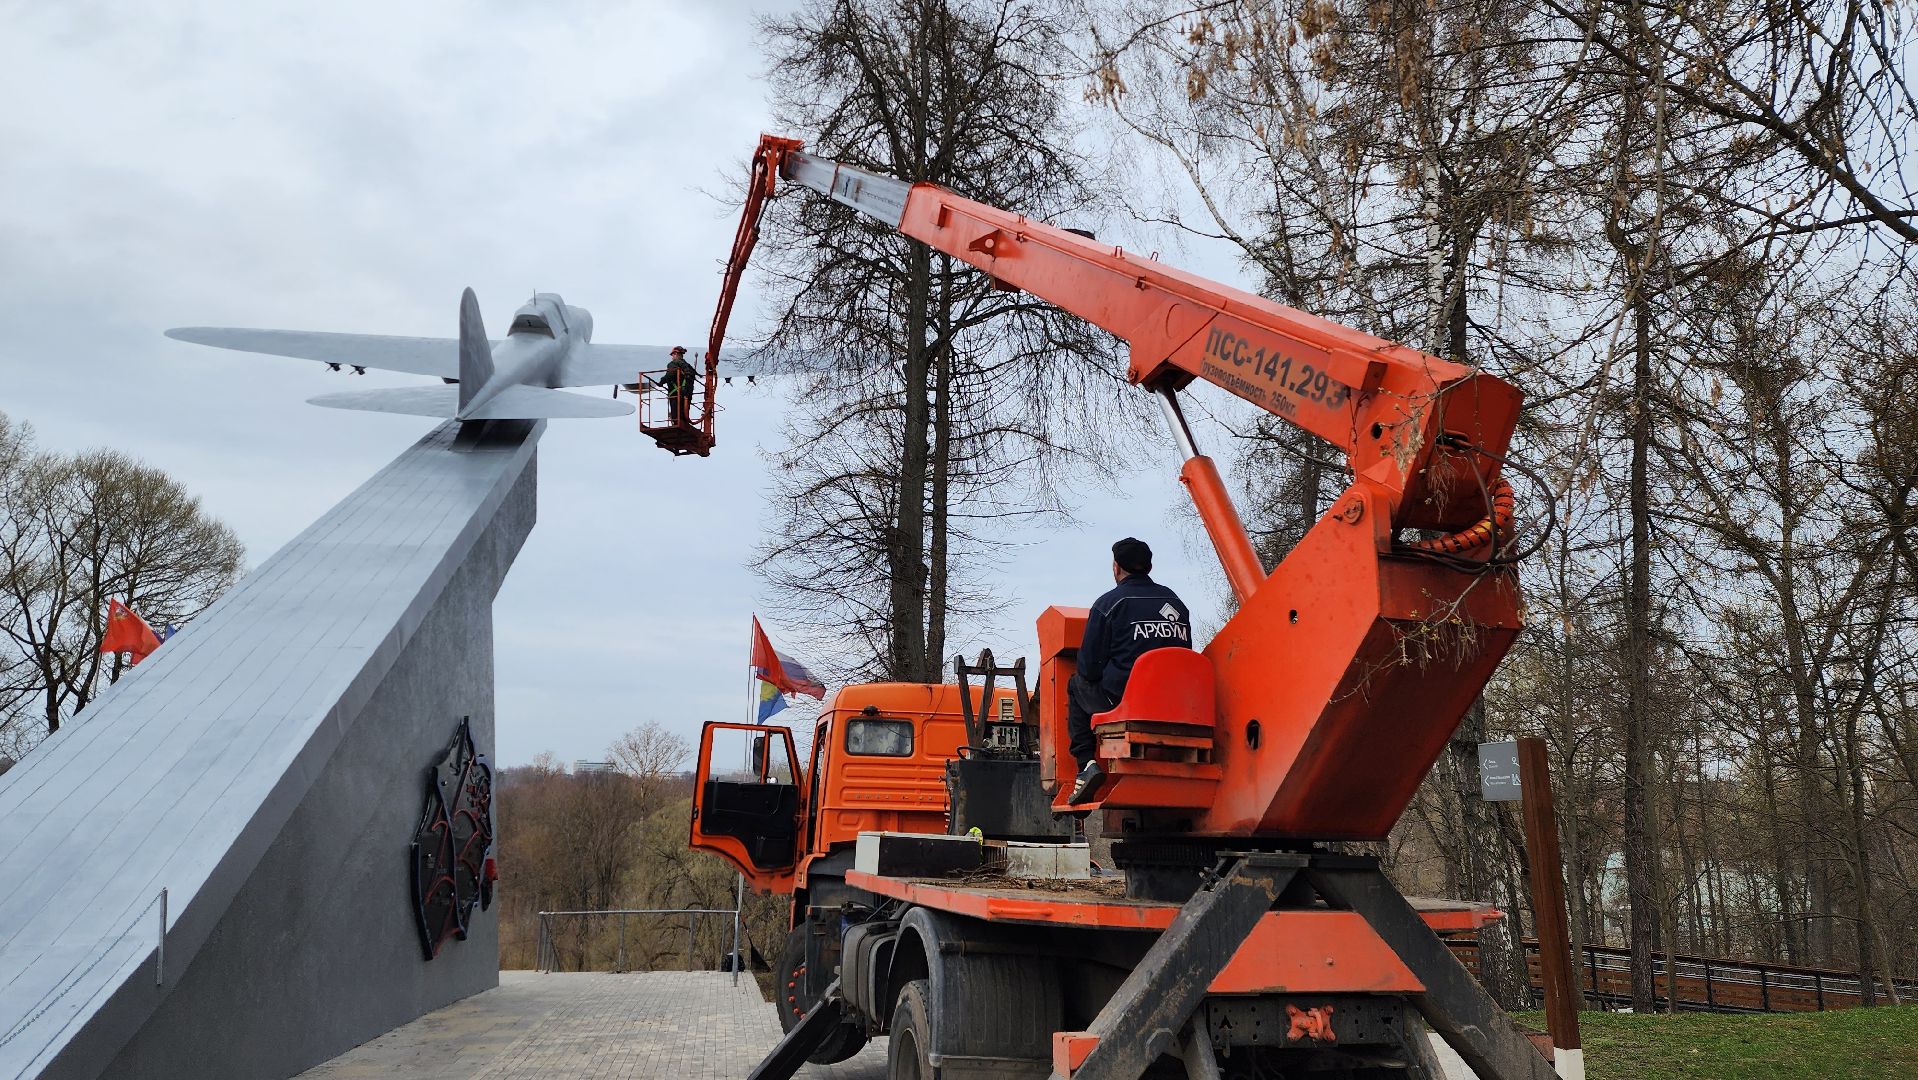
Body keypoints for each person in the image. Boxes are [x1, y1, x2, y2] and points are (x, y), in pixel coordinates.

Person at [1066, 537, 1192, 804]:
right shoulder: (1177, 604)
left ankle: (1085, 764)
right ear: (1149, 565)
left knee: (1076, 684)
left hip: (1128, 703)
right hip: (1178, 705)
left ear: (1116, 567)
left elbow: (1088, 668)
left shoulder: (1109, 604)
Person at [660, 346, 697, 427]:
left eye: (673, 355)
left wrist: (661, 381)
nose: (672, 357)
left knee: (676, 412)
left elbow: (670, 374)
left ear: (676, 354)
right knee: (684, 411)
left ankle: (677, 423)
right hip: (687, 393)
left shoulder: (673, 363)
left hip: (676, 392)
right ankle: (684, 423)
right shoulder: (688, 366)